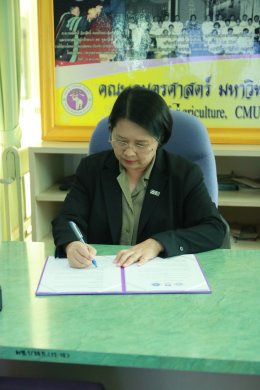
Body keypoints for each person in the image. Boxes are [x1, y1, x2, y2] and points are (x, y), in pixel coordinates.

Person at [52, 86, 226, 269]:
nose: (129, 152)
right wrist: (71, 244)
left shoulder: (183, 174)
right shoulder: (92, 169)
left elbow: (214, 228)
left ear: (160, 139)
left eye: (141, 144)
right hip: (102, 273)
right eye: (121, 141)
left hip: (160, 277)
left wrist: (158, 244)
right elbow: (67, 219)